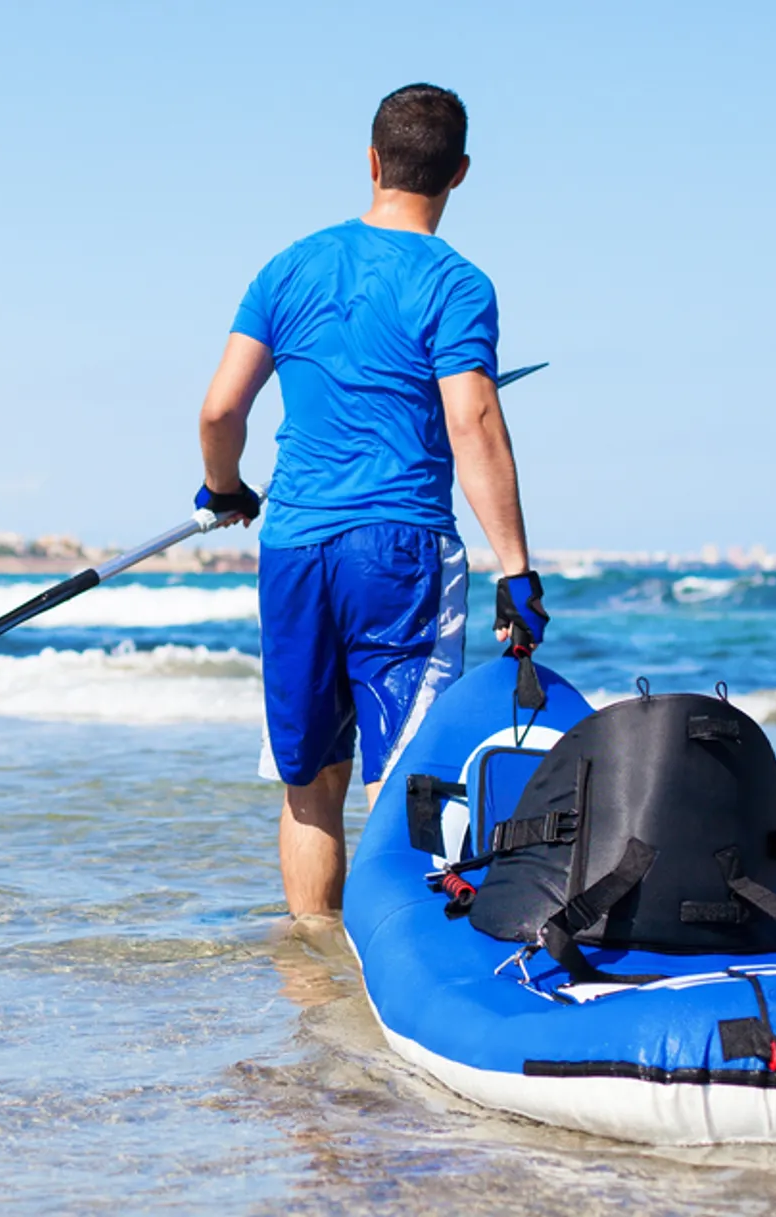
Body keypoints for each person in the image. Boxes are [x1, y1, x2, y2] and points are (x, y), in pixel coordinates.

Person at [194, 83, 549, 919]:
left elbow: (220, 411)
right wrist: (519, 571)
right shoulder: (456, 284)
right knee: (408, 778)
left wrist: (223, 487)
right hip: (399, 553)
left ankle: (315, 985)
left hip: (295, 548)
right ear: (459, 173)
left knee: (309, 779)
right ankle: (401, 981)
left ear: (372, 161)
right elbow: (475, 422)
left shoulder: (289, 267)